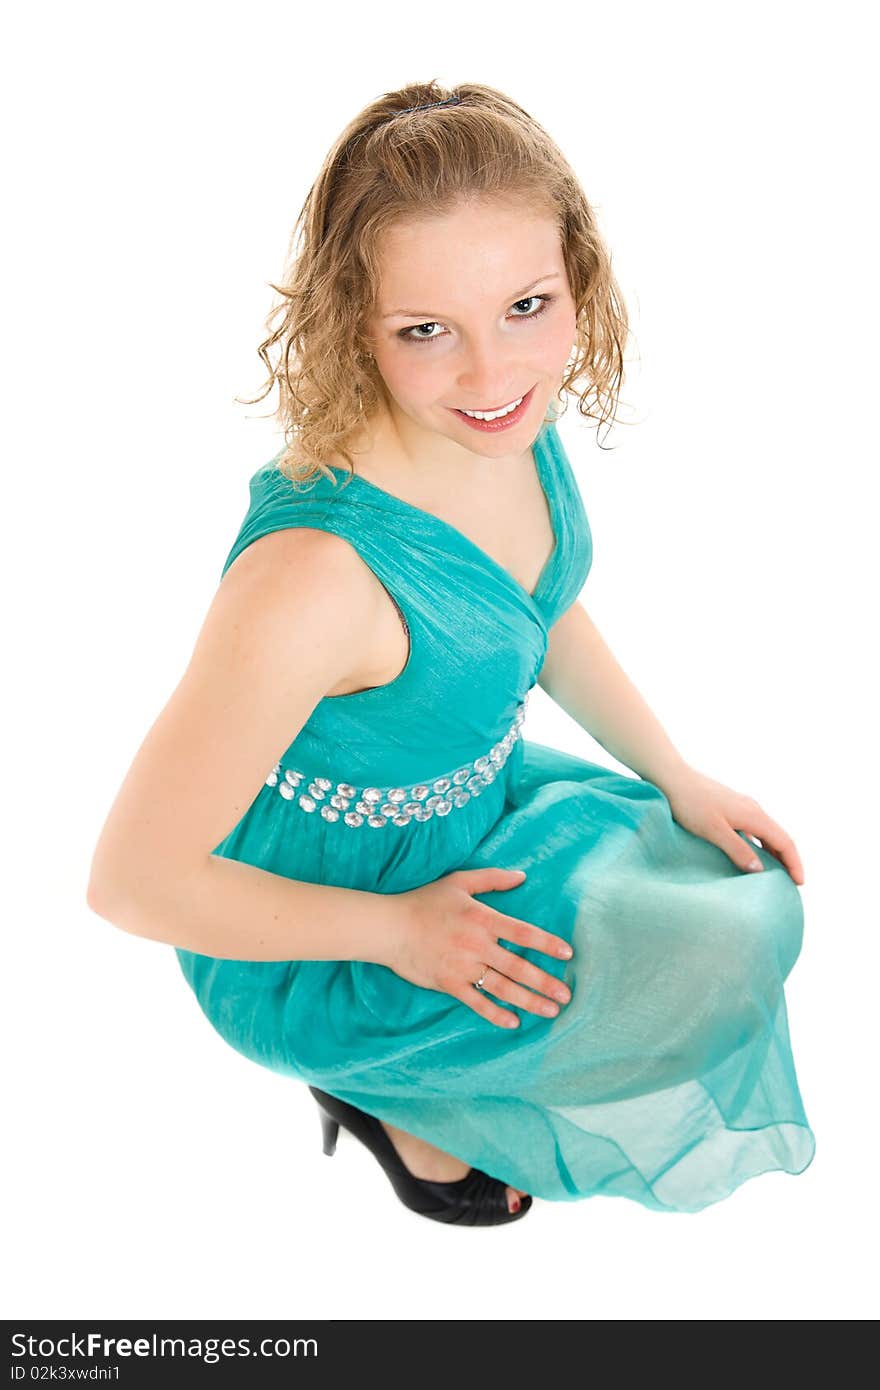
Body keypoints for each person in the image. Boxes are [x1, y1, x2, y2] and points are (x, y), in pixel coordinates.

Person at [86, 80, 816, 1226]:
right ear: (349, 321)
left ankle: (433, 1066)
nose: (491, 373)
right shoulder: (311, 582)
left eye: (526, 306)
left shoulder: (499, 421)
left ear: (577, 276)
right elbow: (132, 883)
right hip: (322, 913)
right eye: (425, 331)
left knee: (743, 911)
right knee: (675, 956)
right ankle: (374, 1073)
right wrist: (402, 931)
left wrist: (677, 771)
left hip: (472, 809)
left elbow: (537, 609)